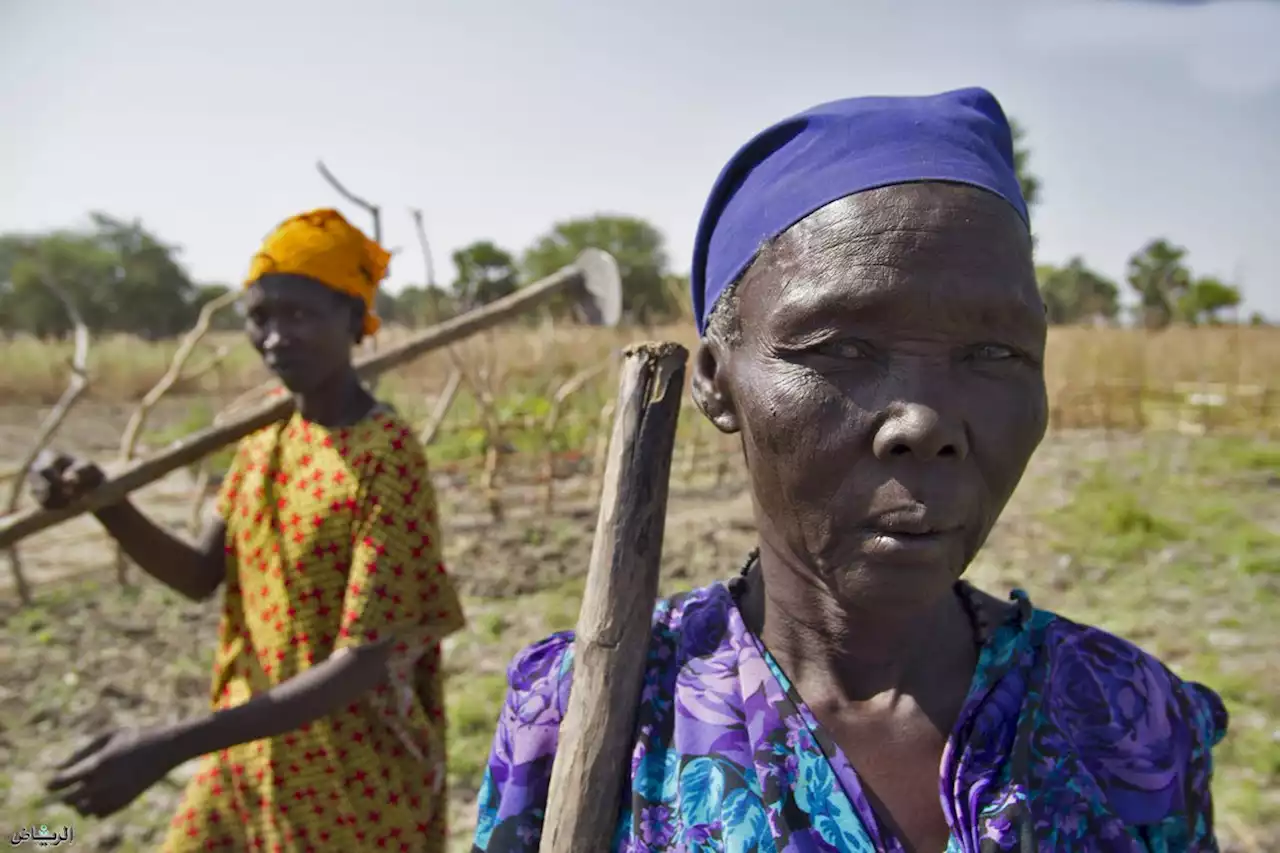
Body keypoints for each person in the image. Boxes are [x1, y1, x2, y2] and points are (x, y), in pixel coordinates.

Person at [470, 89, 1228, 852]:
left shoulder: (1126, 718)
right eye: (841, 347)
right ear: (715, 380)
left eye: (994, 354)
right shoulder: (591, 716)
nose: (924, 423)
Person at [32, 208, 466, 852]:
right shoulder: (263, 432)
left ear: (352, 318)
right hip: (248, 745)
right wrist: (104, 503)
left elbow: (361, 663)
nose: (274, 337)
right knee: (40, 840)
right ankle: (32, 838)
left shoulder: (384, 455)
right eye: (260, 318)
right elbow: (199, 576)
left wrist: (168, 746)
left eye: (298, 315)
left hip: (349, 773)